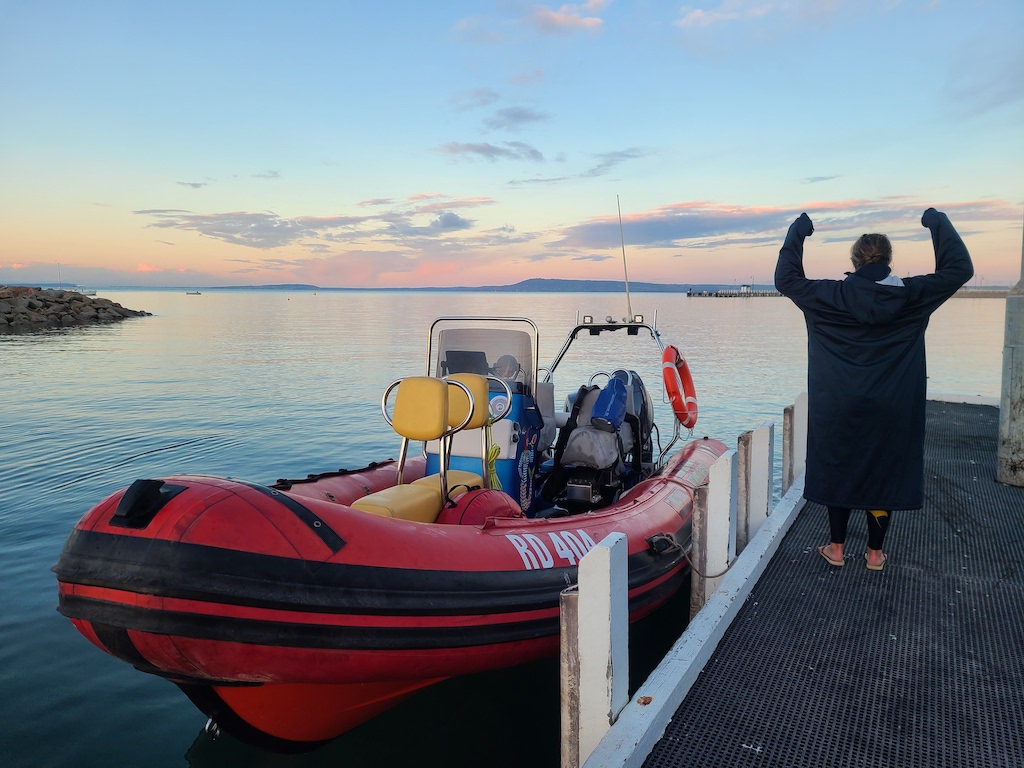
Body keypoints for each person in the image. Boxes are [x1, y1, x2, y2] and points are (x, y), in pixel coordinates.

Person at [775, 208, 973, 570]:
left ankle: (836, 548)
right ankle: (875, 553)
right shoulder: (912, 295)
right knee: (882, 469)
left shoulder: (828, 296)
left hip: (837, 402)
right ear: (889, 259)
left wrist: (797, 231)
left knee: (839, 466)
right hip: (893, 403)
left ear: (854, 260)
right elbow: (959, 269)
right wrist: (937, 222)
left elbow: (786, 278)